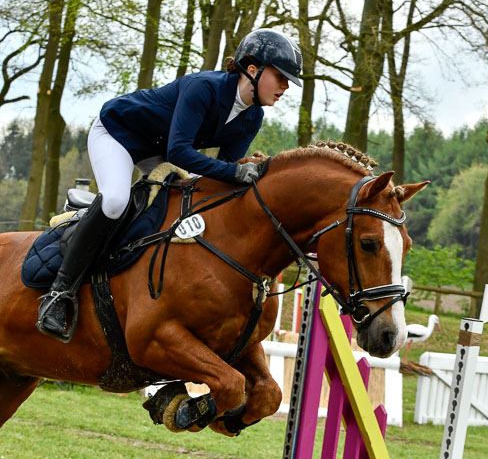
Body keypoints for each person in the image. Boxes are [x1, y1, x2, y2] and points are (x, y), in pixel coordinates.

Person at [36, 29, 303, 341]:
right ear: (253, 70)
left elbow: (223, 175)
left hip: (157, 151)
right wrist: (235, 173)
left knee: (179, 210)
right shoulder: (204, 87)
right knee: (114, 201)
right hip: (119, 134)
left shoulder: (252, 116)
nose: (285, 87)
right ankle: (58, 294)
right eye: (280, 77)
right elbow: (181, 152)